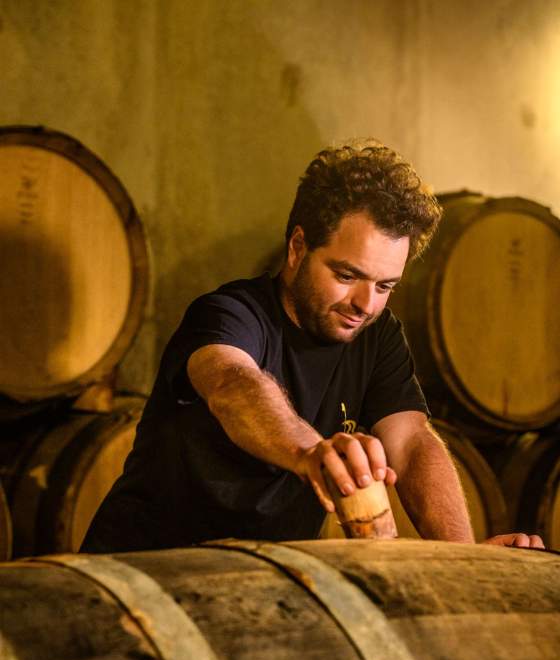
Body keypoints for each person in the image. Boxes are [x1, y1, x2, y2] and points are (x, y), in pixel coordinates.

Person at [82, 140, 543, 553]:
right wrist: (309, 454)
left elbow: (411, 443)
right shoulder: (231, 313)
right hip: (142, 567)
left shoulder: (378, 337)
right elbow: (231, 382)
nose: (365, 304)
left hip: (260, 579)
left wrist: (463, 557)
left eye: (386, 285)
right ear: (298, 247)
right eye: (347, 276)